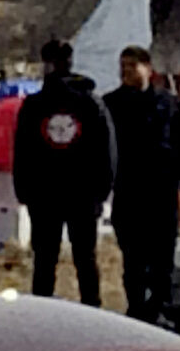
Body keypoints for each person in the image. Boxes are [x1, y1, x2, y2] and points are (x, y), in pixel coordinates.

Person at [13, 40, 115, 307]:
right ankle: (93, 311)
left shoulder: (35, 106)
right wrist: (102, 191)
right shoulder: (91, 103)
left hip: (46, 195)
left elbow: (22, 151)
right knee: (85, 259)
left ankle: (42, 312)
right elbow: (107, 150)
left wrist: (23, 190)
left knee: (45, 260)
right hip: (80, 194)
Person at [103, 46, 180, 326]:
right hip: (128, 191)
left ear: (148, 69)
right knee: (133, 259)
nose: (126, 72)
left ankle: (161, 310)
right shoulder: (111, 105)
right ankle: (136, 310)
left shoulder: (167, 103)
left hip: (162, 192)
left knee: (162, 258)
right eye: (123, 67)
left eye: (132, 66)